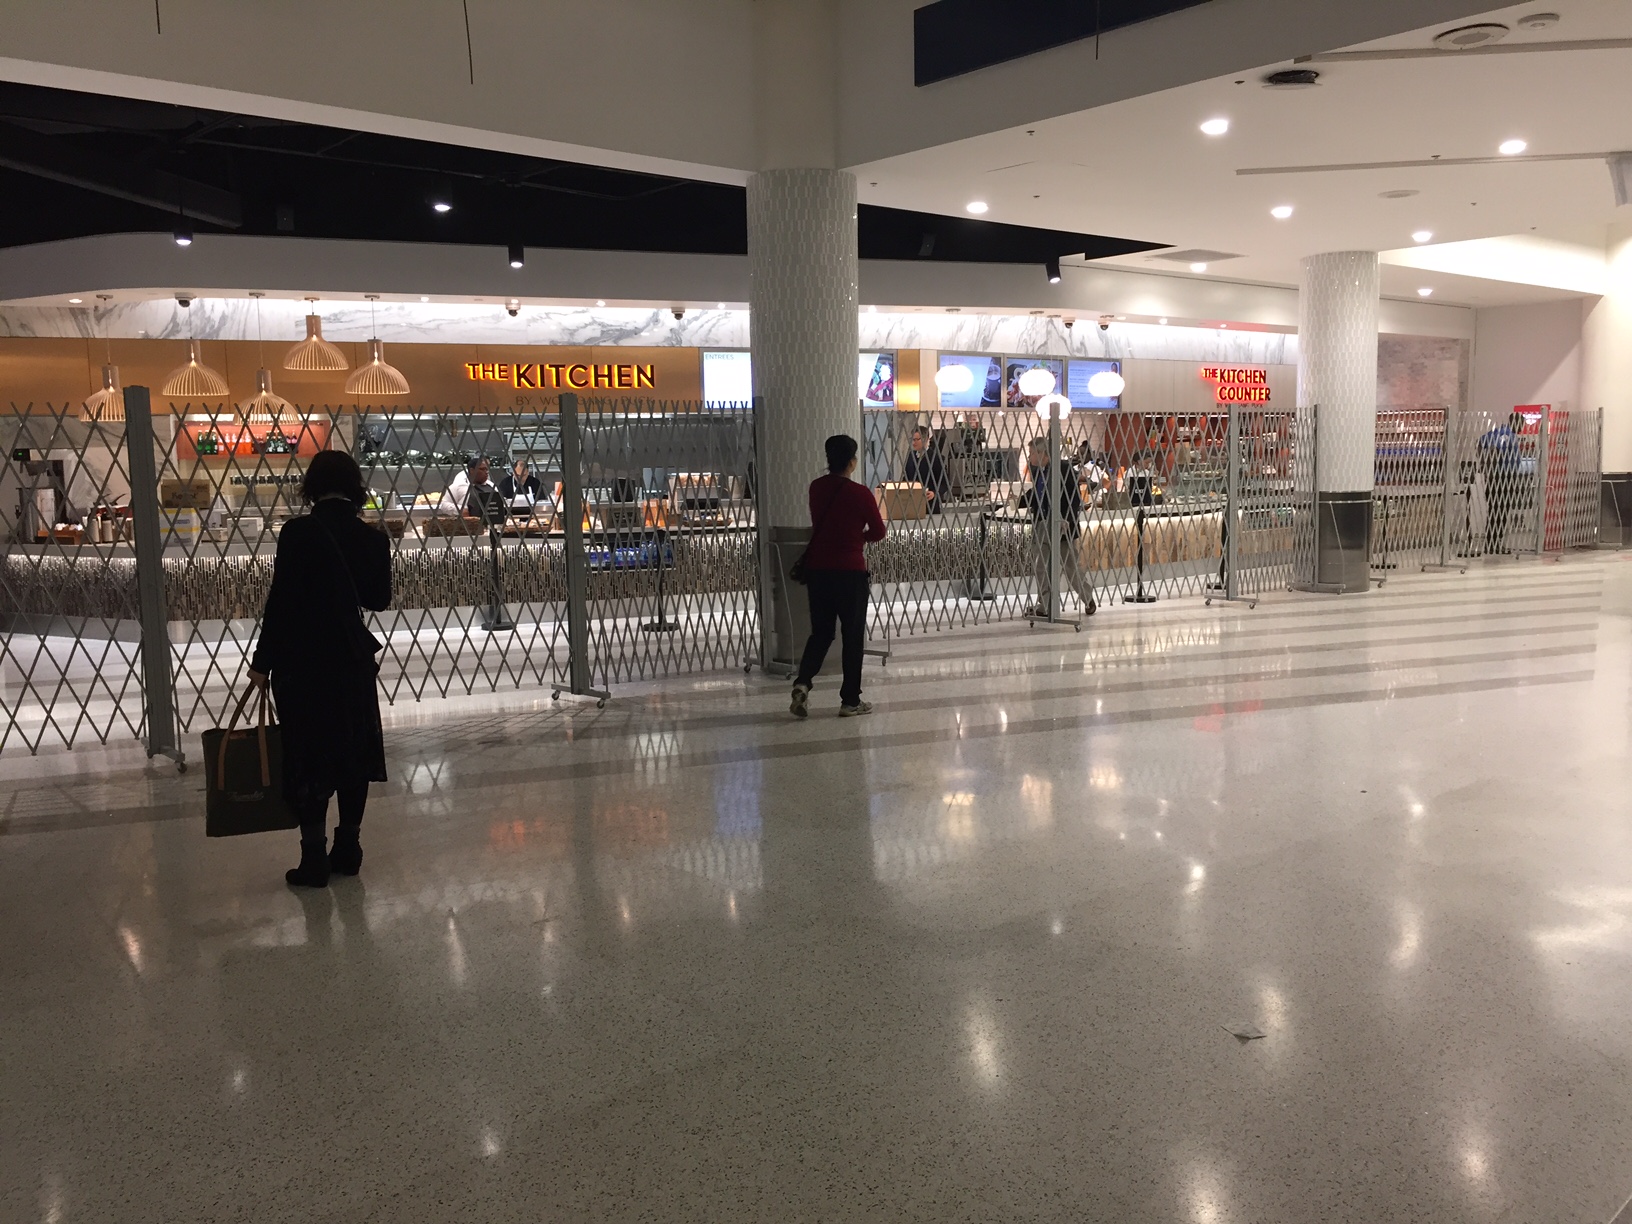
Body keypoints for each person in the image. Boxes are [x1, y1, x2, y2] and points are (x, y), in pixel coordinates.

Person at [247, 450, 392, 888]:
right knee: (353, 751)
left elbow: (281, 602)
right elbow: (378, 600)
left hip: (301, 661)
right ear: (355, 486)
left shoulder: (297, 533)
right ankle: (348, 847)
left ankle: (312, 859)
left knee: (307, 754)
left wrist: (261, 663)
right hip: (350, 658)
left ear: (311, 485)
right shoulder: (373, 538)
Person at [791, 434, 887, 719]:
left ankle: (802, 683)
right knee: (852, 636)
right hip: (850, 573)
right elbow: (879, 532)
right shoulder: (860, 493)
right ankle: (850, 700)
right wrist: (859, 538)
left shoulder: (816, 488)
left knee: (821, 633)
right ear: (852, 461)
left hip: (819, 572)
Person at [1021, 436, 1096, 617]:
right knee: (1041, 566)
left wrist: (1068, 520)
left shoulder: (1063, 469)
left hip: (1061, 526)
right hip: (1042, 524)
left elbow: (1074, 498)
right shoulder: (1039, 470)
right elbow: (1037, 493)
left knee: (1070, 566)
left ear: (1042, 453)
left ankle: (1088, 598)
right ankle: (1045, 605)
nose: (1029, 457)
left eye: (1032, 453)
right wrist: (1019, 501)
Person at [1477, 411, 1526, 554]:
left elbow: (1479, 442)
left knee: (1495, 511)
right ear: (1516, 422)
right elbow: (1496, 449)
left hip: (1498, 477)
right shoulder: (1507, 435)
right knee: (1500, 512)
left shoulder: (1497, 432)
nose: (1522, 427)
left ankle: (1492, 543)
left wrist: (1484, 466)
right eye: (1522, 424)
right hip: (1502, 478)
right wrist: (1491, 468)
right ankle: (1493, 544)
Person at [902, 425, 950, 511]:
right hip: (912, 504)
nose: (914, 443)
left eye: (917, 439)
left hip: (930, 505)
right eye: (913, 439)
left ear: (926, 439)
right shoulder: (910, 456)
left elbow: (945, 483)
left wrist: (934, 493)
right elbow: (906, 477)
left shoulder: (936, 458)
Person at [462, 457, 506, 527]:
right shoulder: (461, 485)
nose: (486, 472)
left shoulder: (491, 486)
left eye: (487, 469)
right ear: (472, 470)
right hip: (471, 527)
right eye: (483, 469)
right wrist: (462, 509)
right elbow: (444, 504)